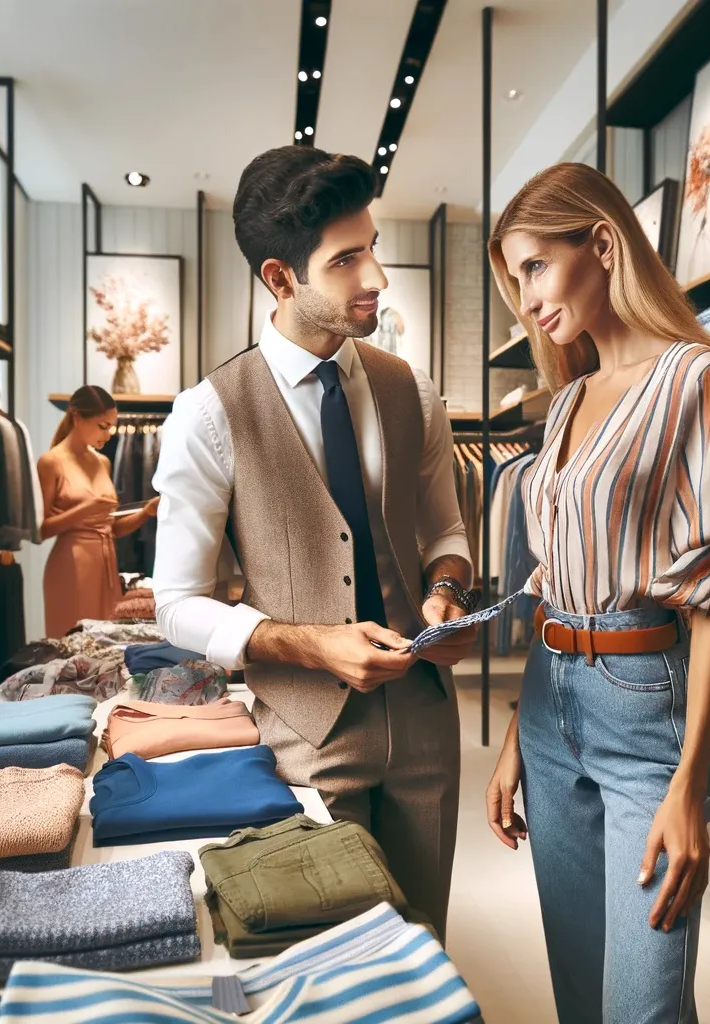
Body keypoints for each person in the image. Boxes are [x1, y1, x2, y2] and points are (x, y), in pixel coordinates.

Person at [151, 145, 477, 938]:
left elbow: (446, 528)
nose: (376, 279)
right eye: (346, 260)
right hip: (307, 735)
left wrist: (448, 590)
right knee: (325, 956)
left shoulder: (413, 390)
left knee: (423, 944)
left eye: (373, 249)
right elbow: (175, 604)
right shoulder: (207, 414)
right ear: (279, 278)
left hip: (428, 727)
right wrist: (310, 646)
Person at [484, 163, 710, 1023]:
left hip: (646, 709)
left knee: (645, 1005)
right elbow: (552, 579)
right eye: (513, 280)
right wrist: (513, 742)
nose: (525, 300)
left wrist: (689, 782)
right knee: (579, 995)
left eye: (533, 267)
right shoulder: (564, 405)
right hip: (547, 703)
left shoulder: (696, 378)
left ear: (601, 243)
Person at [38, 385, 158, 637]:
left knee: (105, 647)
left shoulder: (102, 462)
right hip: (70, 567)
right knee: (71, 646)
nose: (108, 434)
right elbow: (41, 530)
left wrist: (145, 513)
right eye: (102, 426)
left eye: (111, 427)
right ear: (76, 416)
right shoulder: (52, 462)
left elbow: (112, 529)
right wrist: (84, 509)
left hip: (106, 566)